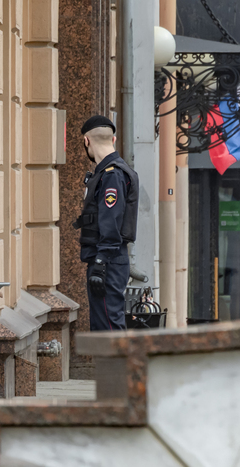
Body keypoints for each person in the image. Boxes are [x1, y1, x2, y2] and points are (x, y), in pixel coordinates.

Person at [72, 115, 139, 331]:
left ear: (86, 141)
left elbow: (111, 221)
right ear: (114, 139)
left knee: (108, 328)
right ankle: (111, 366)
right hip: (108, 259)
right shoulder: (106, 173)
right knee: (103, 327)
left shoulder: (112, 174)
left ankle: (119, 366)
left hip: (108, 260)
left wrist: (101, 262)